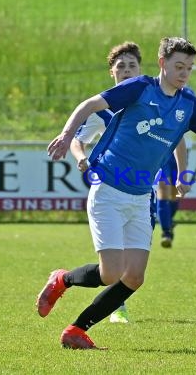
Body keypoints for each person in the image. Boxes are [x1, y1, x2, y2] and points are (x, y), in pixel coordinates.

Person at [41, 36, 196, 349]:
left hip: (142, 196)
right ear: (162, 64)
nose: (184, 73)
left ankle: (76, 330)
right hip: (108, 188)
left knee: (133, 277)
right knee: (110, 273)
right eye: (178, 66)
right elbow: (90, 105)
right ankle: (62, 279)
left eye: (189, 67)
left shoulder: (188, 105)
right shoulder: (139, 88)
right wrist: (66, 136)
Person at [65, 41, 142, 325]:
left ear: (141, 70)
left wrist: (179, 173)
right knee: (115, 261)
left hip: (144, 191)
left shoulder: (155, 103)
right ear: (112, 72)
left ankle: (113, 302)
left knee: (134, 266)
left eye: (131, 65)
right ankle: (116, 306)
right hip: (112, 187)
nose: (126, 70)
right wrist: (80, 157)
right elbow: (78, 140)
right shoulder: (104, 110)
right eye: (120, 66)